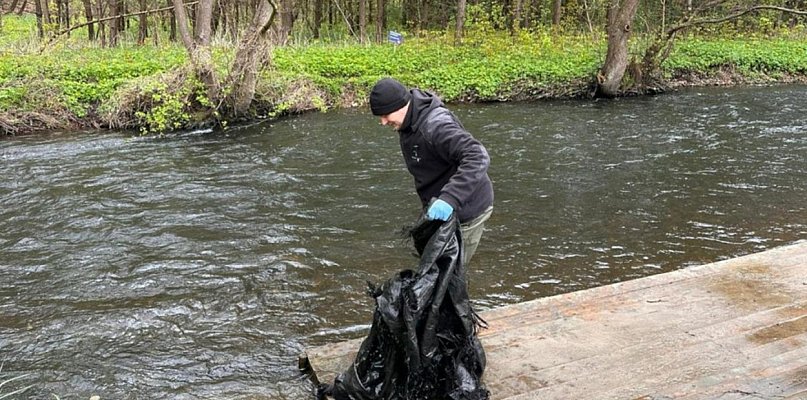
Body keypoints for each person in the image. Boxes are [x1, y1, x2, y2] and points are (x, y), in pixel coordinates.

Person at [369, 77, 494, 267]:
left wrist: (449, 199)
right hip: (438, 209)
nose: (383, 122)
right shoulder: (408, 121)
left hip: (467, 209)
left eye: (386, 115)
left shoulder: (436, 126)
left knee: (449, 273)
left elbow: (477, 156)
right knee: (431, 269)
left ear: (401, 105)